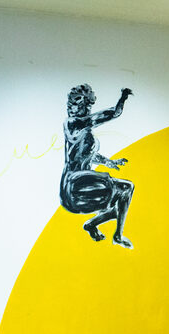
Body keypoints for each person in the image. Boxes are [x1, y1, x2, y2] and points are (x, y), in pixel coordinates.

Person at [60, 84, 134, 248]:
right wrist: (123, 98)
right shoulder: (73, 123)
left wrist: (110, 162)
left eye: (87, 105)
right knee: (124, 191)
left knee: (124, 195)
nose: (86, 109)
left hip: (80, 185)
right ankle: (117, 236)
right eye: (81, 105)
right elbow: (113, 113)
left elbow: (87, 155)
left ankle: (94, 225)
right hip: (75, 185)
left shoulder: (81, 130)